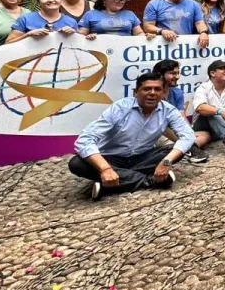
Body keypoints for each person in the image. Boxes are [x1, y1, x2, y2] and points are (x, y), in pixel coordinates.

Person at [69, 71, 191, 200]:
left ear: (163, 93)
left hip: (142, 157)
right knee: (76, 163)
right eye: (147, 89)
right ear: (135, 92)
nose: (152, 93)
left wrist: (166, 162)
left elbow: (187, 136)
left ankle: (113, 184)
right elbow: (84, 139)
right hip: (111, 158)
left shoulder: (168, 110)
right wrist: (105, 168)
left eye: (157, 89)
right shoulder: (120, 108)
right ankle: (148, 180)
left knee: (175, 151)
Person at [152, 58, 210, 164]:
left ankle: (182, 150)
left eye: (178, 73)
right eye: (173, 73)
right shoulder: (152, 94)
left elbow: (181, 116)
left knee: (205, 135)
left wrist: (188, 134)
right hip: (157, 133)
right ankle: (187, 149)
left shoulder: (177, 92)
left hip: (175, 132)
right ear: (160, 75)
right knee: (163, 127)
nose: (177, 77)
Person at [142, 0, 210, 50]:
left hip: (186, 47)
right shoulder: (154, 4)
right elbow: (147, 26)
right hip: (162, 47)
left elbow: (199, 23)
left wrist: (203, 33)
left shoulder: (193, 4)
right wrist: (162, 31)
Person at [6, 0, 78, 43]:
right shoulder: (25, 19)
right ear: (38, 2)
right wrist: (28, 35)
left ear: (61, 0)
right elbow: (8, 43)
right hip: (31, 59)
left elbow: (78, 46)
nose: (51, 0)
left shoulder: (71, 22)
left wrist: (74, 35)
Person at [79, 0, 147, 38]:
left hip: (125, 52)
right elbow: (81, 35)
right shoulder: (90, 14)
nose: (120, 2)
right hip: (98, 52)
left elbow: (139, 33)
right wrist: (89, 37)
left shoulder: (130, 14)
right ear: (104, 0)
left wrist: (146, 37)